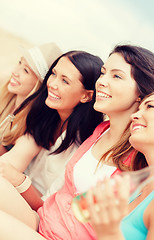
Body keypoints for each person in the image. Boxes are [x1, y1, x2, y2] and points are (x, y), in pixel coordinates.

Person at [0, 44, 154, 239]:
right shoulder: (100, 131)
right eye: (103, 73)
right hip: (41, 220)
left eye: (116, 76)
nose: (102, 81)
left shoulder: (139, 157)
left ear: (140, 93)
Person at [0, 50, 104, 209]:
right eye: (54, 74)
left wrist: (18, 179)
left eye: (65, 81)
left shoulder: (83, 147)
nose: (52, 83)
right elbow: (11, 160)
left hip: (35, 214)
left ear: (87, 96)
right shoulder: (45, 115)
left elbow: (47, 208)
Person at [87, 89, 154, 240]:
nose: (134, 116)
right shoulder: (141, 186)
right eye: (139, 108)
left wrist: (109, 234)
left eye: (150, 107)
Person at [0, 42, 62, 155]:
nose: (15, 72)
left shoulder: (34, 127)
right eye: (19, 63)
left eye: (25, 70)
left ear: (39, 84)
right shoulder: (5, 96)